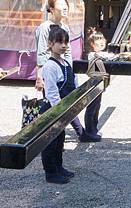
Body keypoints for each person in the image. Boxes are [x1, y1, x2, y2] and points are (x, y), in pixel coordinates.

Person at [34, 0, 84, 139]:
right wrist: (39, 76)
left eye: (66, 5)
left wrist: (71, 72)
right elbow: (41, 52)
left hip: (64, 70)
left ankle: (78, 132)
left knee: (68, 101)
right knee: (52, 103)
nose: (64, 8)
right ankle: (50, 137)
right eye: (60, 5)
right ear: (51, 9)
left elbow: (68, 53)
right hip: (51, 70)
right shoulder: (44, 28)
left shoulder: (64, 27)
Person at [40, 25, 76, 184]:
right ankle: (50, 173)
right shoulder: (50, 66)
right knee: (50, 142)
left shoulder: (66, 62)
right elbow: (52, 93)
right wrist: (61, 111)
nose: (63, 45)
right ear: (50, 44)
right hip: (53, 110)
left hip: (63, 108)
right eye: (59, 42)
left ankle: (59, 167)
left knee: (60, 139)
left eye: (66, 42)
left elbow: (72, 82)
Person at [82, 28, 117, 142]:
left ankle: (94, 128)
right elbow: (105, 57)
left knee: (97, 106)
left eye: (102, 39)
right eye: (98, 40)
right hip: (93, 84)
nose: (101, 41)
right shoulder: (92, 55)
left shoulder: (102, 53)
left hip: (100, 84)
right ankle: (89, 130)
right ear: (92, 44)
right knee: (91, 107)